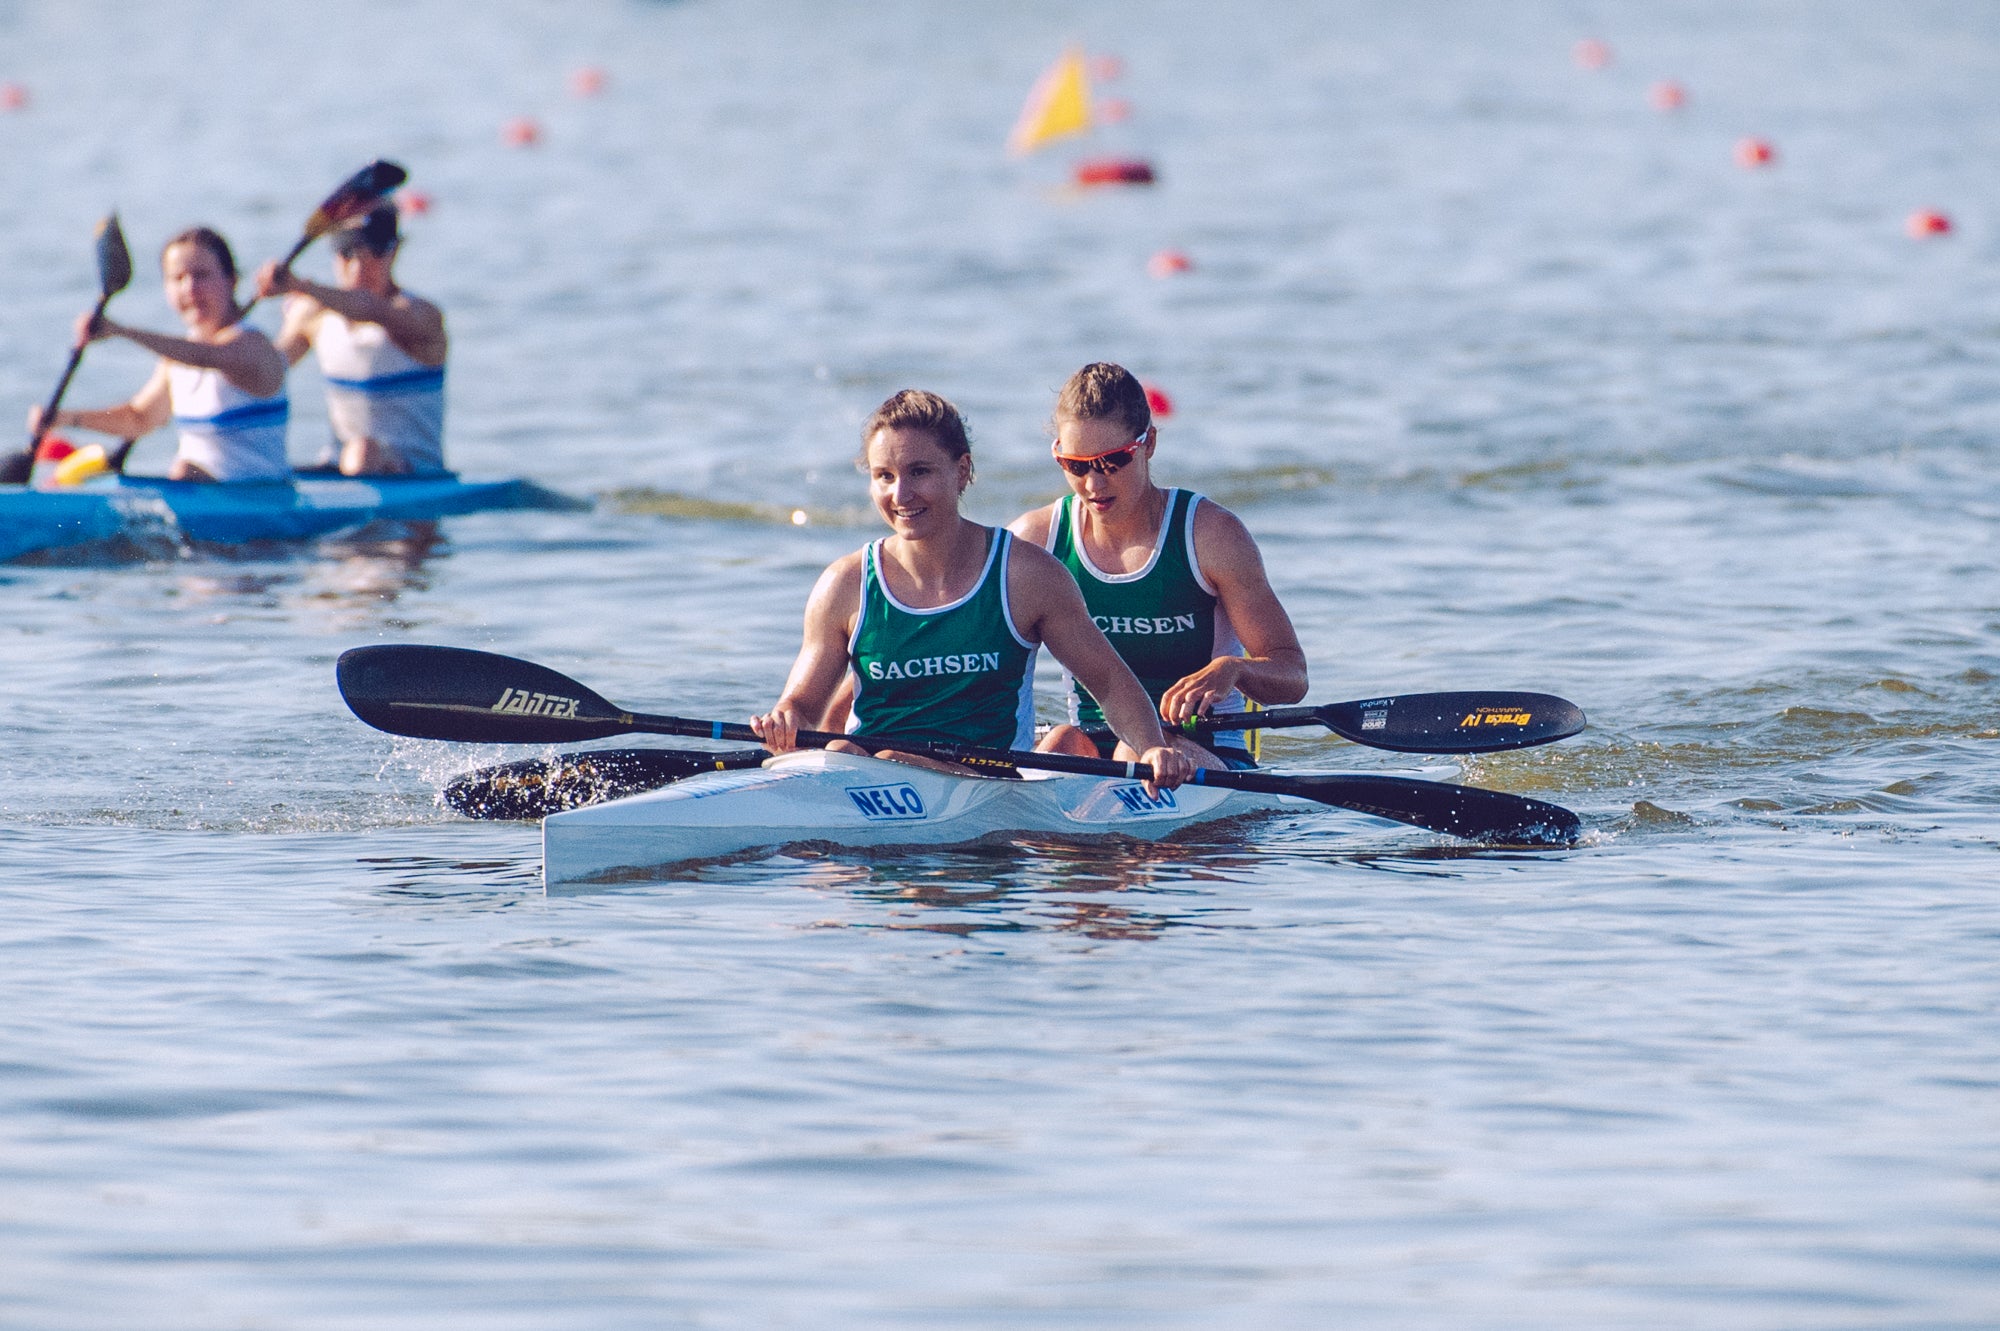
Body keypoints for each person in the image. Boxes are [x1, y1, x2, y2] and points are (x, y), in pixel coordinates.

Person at [750, 388, 1195, 795]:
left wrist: (1152, 748)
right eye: (884, 476)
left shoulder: (1026, 575)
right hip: (871, 782)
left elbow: (1111, 684)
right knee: (850, 756)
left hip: (985, 787)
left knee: (873, 757)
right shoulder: (843, 585)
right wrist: (786, 719)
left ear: (962, 471)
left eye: (919, 471)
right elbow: (803, 707)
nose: (900, 494)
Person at [1010, 362, 1308, 769]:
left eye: (1113, 461)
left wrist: (1232, 670)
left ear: (1148, 443)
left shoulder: (1211, 536)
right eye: (1076, 465)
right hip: (1097, 750)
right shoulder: (1036, 539)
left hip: (1208, 753)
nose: (1094, 485)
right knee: (1061, 741)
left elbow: (1293, 676)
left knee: (1134, 751)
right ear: (1057, 454)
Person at [29, 227, 290, 482]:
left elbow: (207, 357)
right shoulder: (177, 358)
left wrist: (121, 330)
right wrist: (63, 418)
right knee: (182, 470)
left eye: (201, 275)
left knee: (182, 469)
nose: (190, 288)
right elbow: (139, 418)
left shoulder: (253, 345)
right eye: (178, 278)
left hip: (263, 501)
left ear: (231, 280)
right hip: (201, 493)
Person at [256, 204, 448, 476]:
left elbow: (370, 309)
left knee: (362, 452)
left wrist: (301, 287)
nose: (359, 268)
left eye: (374, 253)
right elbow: (264, 373)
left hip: (415, 475)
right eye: (347, 253)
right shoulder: (312, 314)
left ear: (394, 251)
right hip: (338, 467)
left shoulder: (420, 316)